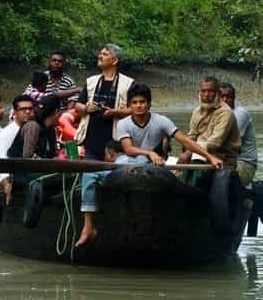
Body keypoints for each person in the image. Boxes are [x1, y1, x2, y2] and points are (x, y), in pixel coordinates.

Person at [76, 83, 223, 247]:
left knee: (143, 162)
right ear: (130, 105)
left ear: (149, 104)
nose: (139, 106)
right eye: (135, 102)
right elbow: (128, 149)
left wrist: (209, 157)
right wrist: (150, 152)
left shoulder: (161, 121)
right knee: (89, 174)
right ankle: (88, 226)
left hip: (148, 168)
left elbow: (185, 140)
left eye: (142, 102)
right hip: (125, 165)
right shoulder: (124, 123)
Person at [74, 44, 135, 160]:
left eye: (105, 54)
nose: (100, 56)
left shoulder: (128, 83)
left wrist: (114, 112)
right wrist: (87, 109)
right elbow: (78, 105)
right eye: (100, 53)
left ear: (115, 61)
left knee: (113, 176)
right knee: (90, 176)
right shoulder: (91, 81)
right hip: (91, 140)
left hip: (116, 142)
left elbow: (135, 109)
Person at [179, 76, 240, 168]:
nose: (206, 95)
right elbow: (192, 135)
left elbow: (214, 143)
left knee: (195, 160)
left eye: (210, 91)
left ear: (218, 93)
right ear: (199, 93)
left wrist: (191, 151)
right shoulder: (197, 111)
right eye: (203, 91)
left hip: (223, 160)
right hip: (199, 153)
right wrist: (187, 148)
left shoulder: (226, 112)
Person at [219, 82, 257, 187]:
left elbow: (229, 143)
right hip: (224, 160)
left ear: (234, 98)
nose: (225, 100)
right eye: (222, 97)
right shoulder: (215, 113)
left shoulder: (240, 113)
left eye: (229, 97)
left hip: (244, 163)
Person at [7, 95, 60, 159]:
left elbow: (52, 155)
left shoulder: (50, 129)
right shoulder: (32, 126)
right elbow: (28, 156)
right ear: (56, 111)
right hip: (19, 167)